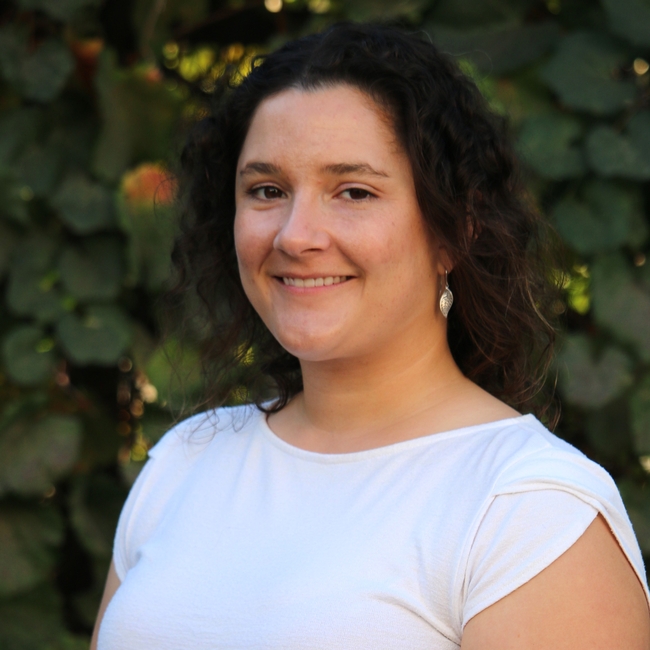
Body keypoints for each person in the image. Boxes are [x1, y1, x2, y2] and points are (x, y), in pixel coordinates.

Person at [92, 23, 650, 650]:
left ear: (454, 231)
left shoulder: (529, 512)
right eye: (267, 191)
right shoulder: (184, 462)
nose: (295, 236)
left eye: (353, 192)